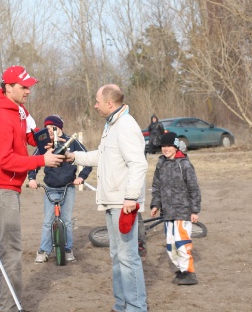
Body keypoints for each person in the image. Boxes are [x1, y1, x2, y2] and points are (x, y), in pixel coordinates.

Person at [0, 66, 64, 312]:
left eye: (29, 86)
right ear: (8, 87)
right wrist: (41, 160)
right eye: (23, 87)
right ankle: (9, 307)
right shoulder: (0, 118)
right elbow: (6, 160)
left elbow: (29, 135)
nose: (28, 91)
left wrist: (45, 136)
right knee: (12, 249)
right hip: (0, 187)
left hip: (7, 187)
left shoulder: (18, 110)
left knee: (5, 246)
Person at [65, 84, 148, 312]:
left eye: (97, 101)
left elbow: (138, 164)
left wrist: (130, 198)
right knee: (117, 256)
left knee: (128, 257)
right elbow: (102, 155)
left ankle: (136, 307)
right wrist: (73, 157)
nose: (95, 105)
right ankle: (121, 305)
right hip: (113, 201)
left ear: (109, 104)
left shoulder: (126, 126)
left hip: (123, 203)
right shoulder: (112, 125)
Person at [27, 115, 92, 263]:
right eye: (47, 128)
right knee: (48, 221)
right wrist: (32, 178)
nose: (50, 130)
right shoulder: (45, 144)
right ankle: (44, 251)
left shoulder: (71, 142)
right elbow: (34, 162)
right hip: (50, 187)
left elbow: (88, 160)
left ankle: (67, 249)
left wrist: (81, 177)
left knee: (67, 221)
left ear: (59, 127)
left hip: (68, 187)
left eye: (52, 127)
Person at [150, 131, 202, 285]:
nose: (165, 149)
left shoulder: (184, 164)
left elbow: (194, 188)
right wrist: (155, 204)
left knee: (182, 242)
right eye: (163, 146)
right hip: (167, 213)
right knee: (171, 245)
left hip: (183, 211)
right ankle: (181, 269)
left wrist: (194, 210)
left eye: (169, 146)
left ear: (176, 147)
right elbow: (156, 186)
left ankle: (189, 272)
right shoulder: (160, 164)